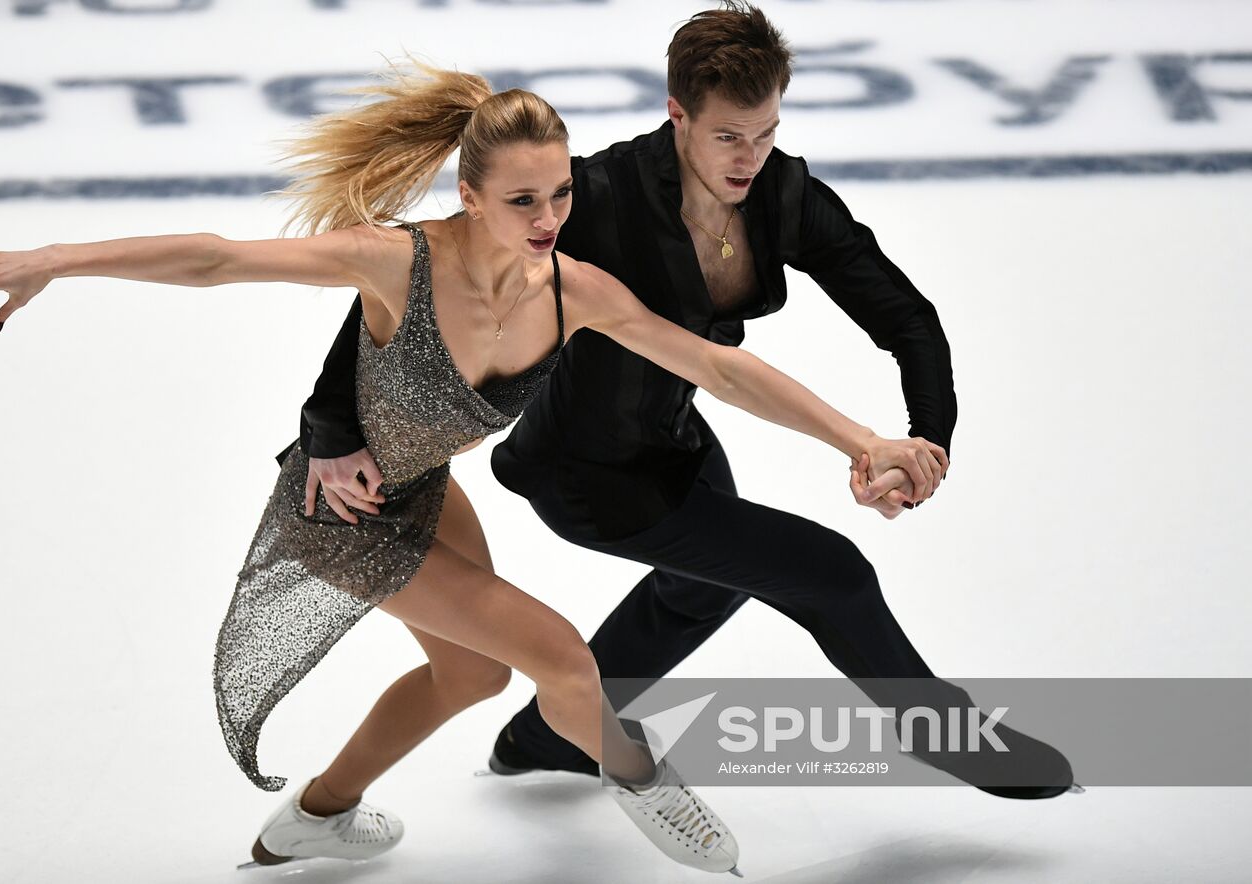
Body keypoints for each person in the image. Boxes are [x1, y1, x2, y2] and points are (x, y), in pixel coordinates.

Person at [0, 61, 948, 875]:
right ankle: (642, 779)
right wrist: (54, 256)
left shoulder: (570, 286)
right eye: (518, 201)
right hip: (337, 508)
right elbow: (215, 255)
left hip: (422, 488)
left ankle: (313, 819)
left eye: (556, 196)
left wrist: (860, 439)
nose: (544, 220)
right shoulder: (396, 260)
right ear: (467, 193)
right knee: (561, 659)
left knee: (473, 671)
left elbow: (719, 368)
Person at [293, 2, 1080, 800]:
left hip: (679, 441)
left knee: (704, 584)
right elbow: (413, 286)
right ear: (679, 115)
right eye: (728, 136)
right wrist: (330, 427)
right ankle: (948, 737)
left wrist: (925, 440)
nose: (750, 158)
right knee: (832, 574)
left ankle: (544, 736)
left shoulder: (785, 198)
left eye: (767, 132)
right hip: (589, 474)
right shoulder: (593, 195)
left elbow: (908, 320)